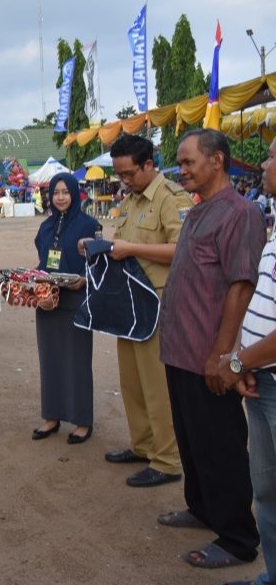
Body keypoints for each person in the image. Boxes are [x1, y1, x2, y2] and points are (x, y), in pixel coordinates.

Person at [156, 129, 264, 570]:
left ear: (217, 161)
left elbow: (241, 286)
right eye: (179, 164)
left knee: (220, 445)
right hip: (180, 350)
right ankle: (202, 508)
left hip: (209, 355)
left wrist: (223, 357)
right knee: (192, 440)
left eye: (187, 162)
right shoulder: (199, 211)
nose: (181, 171)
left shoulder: (241, 213)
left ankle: (238, 537)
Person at [93, 134, 190, 487]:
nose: (125, 181)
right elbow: (124, 247)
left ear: (149, 165)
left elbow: (183, 250)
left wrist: (130, 247)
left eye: (130, 173)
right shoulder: (131, 200)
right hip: (130, 303)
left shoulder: (171, 197)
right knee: (131, 382)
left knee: (157, 385)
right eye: (120, 175)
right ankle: (143, 445)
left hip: (158, 305)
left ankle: (166, 460)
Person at [210, 134, 276, 585]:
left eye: (272, 156)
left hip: (257, 371)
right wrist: (246, 356)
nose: (264, 163)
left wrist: (236, 360)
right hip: (261, 377)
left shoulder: (249, 214)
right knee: (267, 492)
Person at [31, 173, 96, 443]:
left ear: (74, 193)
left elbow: (97, 265)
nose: (60, 197)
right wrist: (35, 287)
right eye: (55, 192)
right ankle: (52, 417)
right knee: (50, 359)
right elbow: (43, 261)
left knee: (77, 361)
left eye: (65, 192)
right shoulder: (45, 227)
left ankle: (82, 421)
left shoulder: (88, 225)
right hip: (48, 301)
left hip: (76, 300)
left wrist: (84, 279)